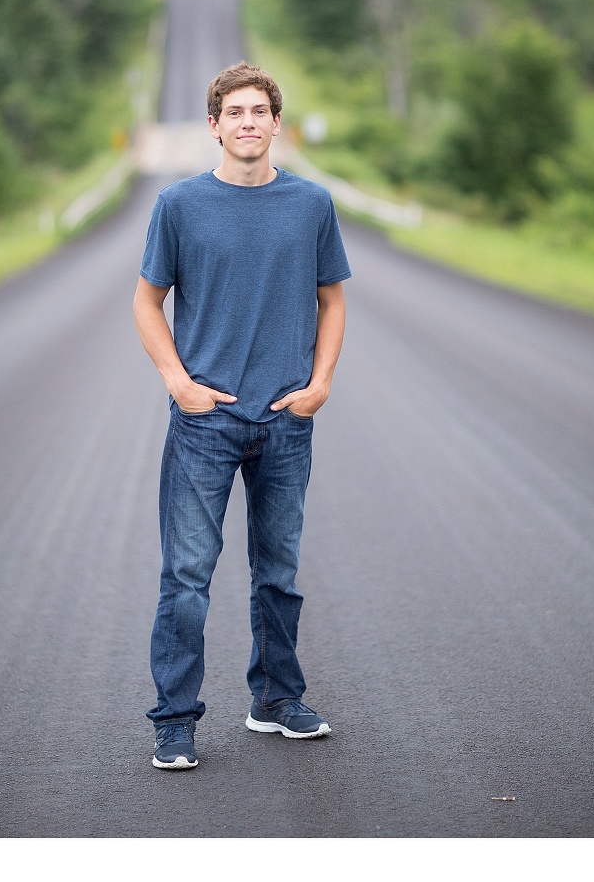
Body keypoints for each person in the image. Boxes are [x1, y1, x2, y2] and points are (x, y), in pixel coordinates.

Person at [133, 61, 351, 770]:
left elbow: (332, 300)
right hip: (205, 421)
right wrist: (179, 382)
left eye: (261, 110)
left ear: (276, 123)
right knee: (188, 577)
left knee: (278, 571)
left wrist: (319, 385)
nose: (249, 122)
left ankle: (277, 699)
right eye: (236, 112)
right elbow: (147, 300)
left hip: (287, 418)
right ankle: (174, 720)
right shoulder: (180, 205)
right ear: (215, 125)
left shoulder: (312, 204)